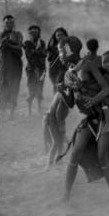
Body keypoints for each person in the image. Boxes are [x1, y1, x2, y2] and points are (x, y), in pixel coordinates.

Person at [59, 43, 109, 204]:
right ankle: (66, 195)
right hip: (90, 119)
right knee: (75, 154)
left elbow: (105, 89)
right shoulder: (69, 72)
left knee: (103, 156)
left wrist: (92, 99)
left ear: (75, 51)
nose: (64, 55)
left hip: (105, 117)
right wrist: (63, 90)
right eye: (62, 53)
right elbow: (70, 102)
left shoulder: (89, 66)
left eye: (66, 52)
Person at [43, 36, 81, 169]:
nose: (60, 55)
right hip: (53, 119)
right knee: (57, 142)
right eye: (60, 52)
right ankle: (50, 165)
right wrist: (62, 129)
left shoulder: (69, 76)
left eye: (62, 51)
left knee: (59, 143)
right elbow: (59, 114)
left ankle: (56, 163)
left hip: (53, 118)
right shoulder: (64, 93)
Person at [0, 14, 23, 119]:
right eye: (7, 23)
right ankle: (3, 111)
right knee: (2, 86)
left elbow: (19, 47)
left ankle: (12, 113)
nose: (9, 24)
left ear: (14, 23)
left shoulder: (18, 34)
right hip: (2, 64)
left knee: (14, 87)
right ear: (4, 24)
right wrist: (3, 43)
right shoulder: (0, 34)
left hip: (14, 65)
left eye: (11, 22)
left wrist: (9, 44)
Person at [24, 25, 47, 115]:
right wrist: (37, 50)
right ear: (29, 34)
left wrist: (36, 51)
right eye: (31, 33)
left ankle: (39, 108)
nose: (34, 34)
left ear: (39, 33)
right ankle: (29, 110)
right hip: (31, 69)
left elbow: (44, 54)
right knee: (31, 87)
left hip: (41, 68)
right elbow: (28, 55)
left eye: (36, 32)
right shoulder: (27, 43)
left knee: (40, 87)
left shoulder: (42, 42)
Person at [47, 27, 69, 93]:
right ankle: (57, 101)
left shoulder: (68, 45)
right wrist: (58, 51)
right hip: (53, 69)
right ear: (55, 37)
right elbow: (49, 58)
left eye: (62, 35)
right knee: (56, 85)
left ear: (65, 35)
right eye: (58, 35)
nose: (60, 37)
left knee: (60, 85)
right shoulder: (52, 46)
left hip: (63, 68)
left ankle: (61, 101)